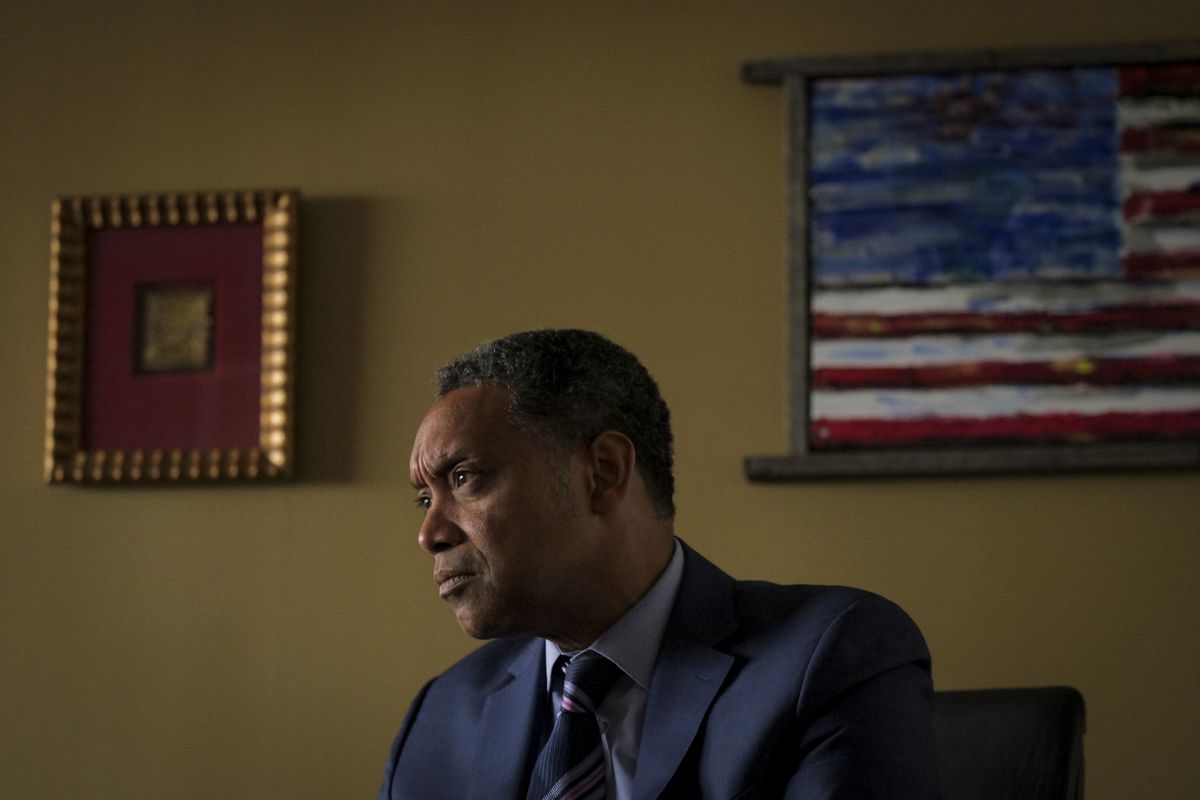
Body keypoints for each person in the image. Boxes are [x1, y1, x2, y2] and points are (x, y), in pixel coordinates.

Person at [378, 329, 938, 799]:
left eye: (463, 478)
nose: (430, 533)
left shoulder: (833, 655)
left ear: (602, 471)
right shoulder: (442, 714)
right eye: (425, 498)